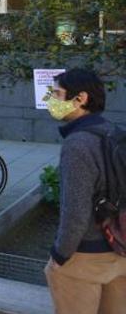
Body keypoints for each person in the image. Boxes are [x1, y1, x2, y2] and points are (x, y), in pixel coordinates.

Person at [45, 68, 126, 313]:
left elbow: (75, 213)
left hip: (85, 256)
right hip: (120, 249)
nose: (51, 100)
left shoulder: (78, 144)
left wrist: (59, 256)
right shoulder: (115, 132)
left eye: (57, 94)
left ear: (80, 99)